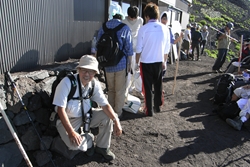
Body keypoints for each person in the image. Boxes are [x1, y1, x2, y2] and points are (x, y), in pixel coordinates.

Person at [53, 55, 122, 161]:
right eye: (84, 70)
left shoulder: (94, 84)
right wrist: (71, 132)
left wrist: (116, 120)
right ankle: (89, 140)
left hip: (86, 116)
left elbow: (105, 105)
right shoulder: (67, 83)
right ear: (79, 69)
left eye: (91, 71)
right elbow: (60, 110)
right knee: (74, 146)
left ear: (95, 73)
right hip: (67, 120)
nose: (87, 74)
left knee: (108, 116)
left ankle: (102, 147)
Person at [97, 5, 133, 118]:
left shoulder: (103, 27)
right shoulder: (124, 27)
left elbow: (98, 44)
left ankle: (110, 113)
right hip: (120, 63)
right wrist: (129, 64)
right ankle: (117, 113)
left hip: (107, 64)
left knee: (111, 89)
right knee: (120, 90)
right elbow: (129, 48)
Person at [135, 2, 170, 116]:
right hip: (159, 61)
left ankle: (149, 110)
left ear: (147, 16)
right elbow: (166, 48)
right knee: (158, 85)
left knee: (148, 86)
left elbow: (139, 48)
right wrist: (164, 61)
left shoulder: (143, 29)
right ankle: (158, 107)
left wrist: (136, 62)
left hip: (146, 62)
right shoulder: (164, 28)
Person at [122, 6, 144, 99]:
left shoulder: (140, 20)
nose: (133, 19)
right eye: (131, 17)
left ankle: (139, 90)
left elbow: (142, 32)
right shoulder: (124, 22)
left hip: (138, 49)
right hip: (127, 50)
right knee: (128, 71)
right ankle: (128, 90)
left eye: (134, 17)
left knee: (138, 70)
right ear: (128, 15)